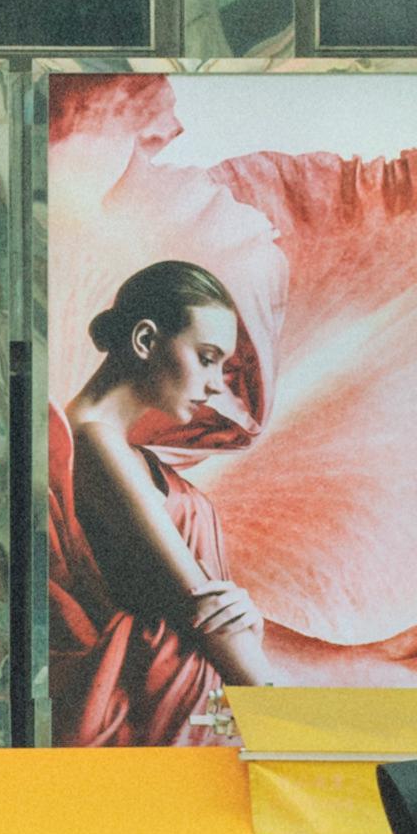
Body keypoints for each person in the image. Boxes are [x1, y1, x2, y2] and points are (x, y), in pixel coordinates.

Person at [49, 258, 266, 746]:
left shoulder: (103, 442)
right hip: (170, 707)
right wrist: (282, 714)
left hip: (182, 695)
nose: (216, 384)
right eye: (207, 357)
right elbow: (202, 607)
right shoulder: (96, 442)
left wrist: (244, 615)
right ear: (146, 341)